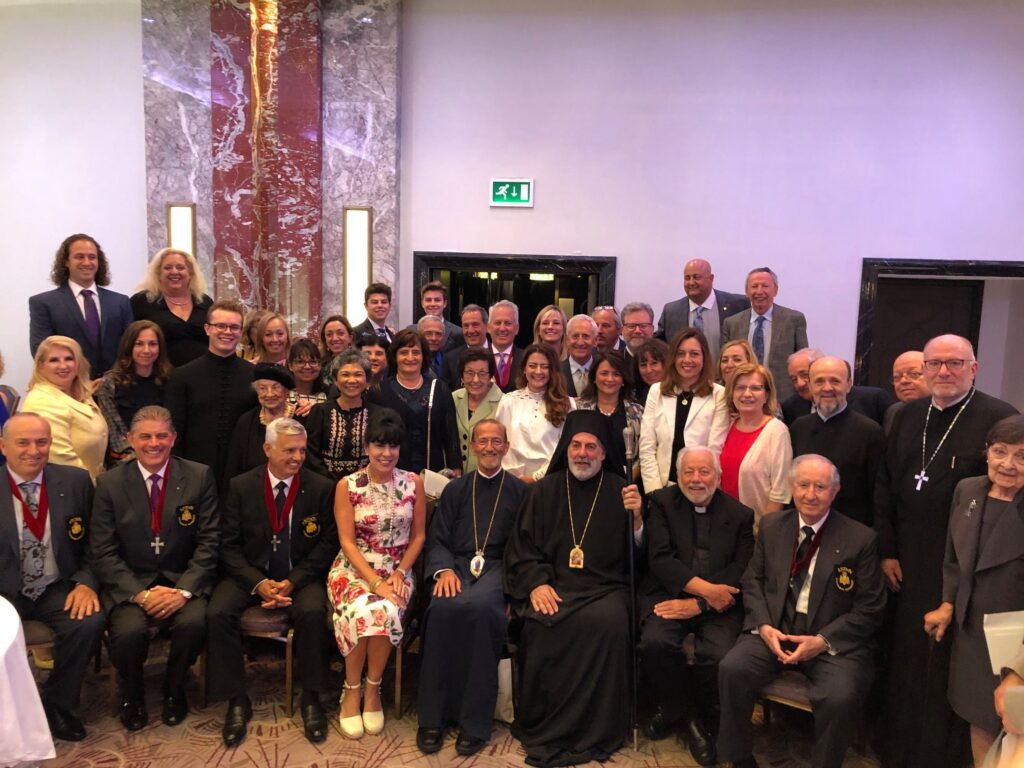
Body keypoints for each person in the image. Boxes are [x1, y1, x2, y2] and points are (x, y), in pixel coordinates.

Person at [874, 334, 1018, 768]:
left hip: (967, 563)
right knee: (907, 657)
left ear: (973, 368)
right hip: (907, 561)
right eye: (934, 364)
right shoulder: (903, 415)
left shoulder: (999, 417)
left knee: (954, 664)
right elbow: (885, 484)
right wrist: (887, 550)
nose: (942, 372)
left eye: (954, 363)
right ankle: (899, 748)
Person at [718, 454, 886, 768]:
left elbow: (870, 607)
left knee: (839, 696)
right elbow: (752, 580)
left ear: (835, 492)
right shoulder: (772, 526)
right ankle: (738, 757)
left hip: (829, 641)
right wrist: (764, 627)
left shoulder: (860, 538)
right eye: (803, 485)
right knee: (732, 668)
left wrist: (822, 641)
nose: (811, 494)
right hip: (775, 630)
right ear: (791, 488)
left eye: (820, 487)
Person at [503, 410, 643, 767]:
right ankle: (548, 723)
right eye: (576, 445)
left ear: (604, 452)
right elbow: (522, 548)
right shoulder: (546, 490)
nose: (582, 453)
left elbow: (641, 555)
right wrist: (535, 584)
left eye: (591, 447)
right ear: (566, 448)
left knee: (609, 624)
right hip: (555, 584)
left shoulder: (621, 491)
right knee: (540, 622)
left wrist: (638, 520)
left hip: (606, 587)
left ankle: (598, 726)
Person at [207, 417, 337, 747]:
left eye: (302, 450)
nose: (297, 457)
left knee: (311, 612)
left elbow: (327, 545)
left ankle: (311, 697)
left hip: (300, 575)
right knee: (217, 613)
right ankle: (236, 699)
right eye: (288, 450)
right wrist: (258, 583)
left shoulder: (321, 486)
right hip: (249, 574)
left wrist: (293, 581)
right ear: (267, 449)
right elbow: (229, 545)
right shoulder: (241, 486)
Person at [89, 406, 219, 731]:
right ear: (130, 440)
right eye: (145, 436)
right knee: (128, 632)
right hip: (132, 585)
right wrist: (139, 595)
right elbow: (103, 550)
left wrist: (184, 590)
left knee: (194, 623)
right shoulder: (109, 483)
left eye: (162, 435)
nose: (154, 443)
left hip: (181, 581)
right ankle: (131, 692)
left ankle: (174, 689)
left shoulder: (199, 476)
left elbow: (209, 541)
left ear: (173, 439)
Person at [416, 419, 529, 756]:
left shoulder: (521, 492)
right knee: (441, 608)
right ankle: (433, 717)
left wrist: (513, 589)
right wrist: (443, 571)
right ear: (474, 447)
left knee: (481, 610)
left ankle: (474, 722)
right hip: (458, 565)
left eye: (497, 441)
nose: (491, 447)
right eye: (484, 441)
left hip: (500, 568)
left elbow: (525, 548)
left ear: (506, 448)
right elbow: (437, 539)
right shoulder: (456, 489)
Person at [639, 446, 754, 766]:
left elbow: (740, 569)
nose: (696, 479)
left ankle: (697, 716)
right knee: (655, 642)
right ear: (678, 476)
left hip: (721, 605)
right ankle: (684, 713)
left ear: (718, 476)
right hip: (668, 594)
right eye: (688, 471)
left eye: (704, 471)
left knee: (719, 655)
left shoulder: (741, 514)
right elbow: (660, 559)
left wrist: (701, 605)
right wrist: (702, 596)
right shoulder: (661, 502)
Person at [922, 415, 1024, 768]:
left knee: (1018, 732)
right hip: (972, 638)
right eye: (1000, 452)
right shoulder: (968, 489)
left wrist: (1019, 670)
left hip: (1018, 642)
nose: (1008, 464)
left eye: (1022, 457)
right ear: (987, 453)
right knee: (978, 717)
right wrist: (949, 603)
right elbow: (954, 557)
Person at [0, 413, 104, 743]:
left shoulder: (75, 481)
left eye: (41, 442)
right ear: (3, 446)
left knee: (87, 622)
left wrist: (86, 581)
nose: (33, 450)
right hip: (4, 593)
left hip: (54, 585)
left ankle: (59, 704)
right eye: (23, 442)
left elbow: (96, 542)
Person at [328, 409, 427, 738]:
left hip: (399, 568)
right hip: (354, 568)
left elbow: (418, 537)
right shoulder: (348, 485)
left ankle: (373, 689)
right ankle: (351, 689)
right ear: (367, 447)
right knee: (364, 608)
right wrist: (374, 582)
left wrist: (399, 573)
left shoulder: (413, 482)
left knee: (383, 610)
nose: (386, 453)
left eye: (393, 446)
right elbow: (346, 540)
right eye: (379, 445)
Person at [164, 299, 256, 487]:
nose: (227, 332)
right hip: (193, 473)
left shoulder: (254, 375)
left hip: (241, 474)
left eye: (234, 327)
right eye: (220, 326)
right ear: (207, 329)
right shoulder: (182, 376)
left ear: (240, 332)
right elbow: (174, 429)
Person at [789, 356, 885, 526]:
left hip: (852, 531)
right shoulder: (798, 428)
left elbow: (878, 494)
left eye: (835, 381)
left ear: (848, 385)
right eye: (819, 382)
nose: (827, 388)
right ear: (810, 386)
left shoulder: (870, 432)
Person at [29, 233, 133, 378]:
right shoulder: (44, 303)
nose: (86, 262)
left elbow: (130, 346)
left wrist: (109, 380)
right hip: (69, 388)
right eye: (79, 257)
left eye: (92, 257)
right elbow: (41, 351)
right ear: (66, 261)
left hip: (115, 388)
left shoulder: (120, 302)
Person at [639, 329, 730, 493]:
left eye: (694, 354)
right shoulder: (656, 391)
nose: (687, 360)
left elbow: (715, 450)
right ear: (673, 358)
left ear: (704, 358)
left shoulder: (719, 395)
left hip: (700, 487)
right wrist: (654, 492)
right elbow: (647, 447)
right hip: (661, 486)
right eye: (681, 354)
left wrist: (702, 488)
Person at [367, 329, 461, 475]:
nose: (410, 358)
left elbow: (451, 436)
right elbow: (372, 438)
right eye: (404, 352)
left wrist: (456, 472)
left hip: (433, 475)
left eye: (416, 352)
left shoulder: (439, 389)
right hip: (390, 474)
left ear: (423, 356)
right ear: (395, 356)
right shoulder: (378, 392)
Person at [21, 336, 107, 481]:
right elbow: (63, 459)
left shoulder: (79, 391)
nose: (63, 366)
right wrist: (96, 489)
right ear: (41, 366)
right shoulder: (42, 402)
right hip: (71, 489)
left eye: (69, 358)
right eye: (54, 360)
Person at [719, 362, 792, 529]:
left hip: (758, 529)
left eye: (756, 388)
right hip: (725, 526)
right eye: (740, 387)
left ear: (766, 394)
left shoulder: (777, 431)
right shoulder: (727, 426)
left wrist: (765, 532)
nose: (747, 394)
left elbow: (780, 492)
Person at [721, 267, 808, 402]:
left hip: (783, 399)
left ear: (775, 290)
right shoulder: (732, 323)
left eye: (765, 286)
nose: (759, 291)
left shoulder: (794, 320)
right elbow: (724, 364)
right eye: (754, 286)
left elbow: (803, 362)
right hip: (744, 397)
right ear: (746, 292)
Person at [94, 320, 172, 467]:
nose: (146, 350)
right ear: (128, 347)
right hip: (124, 461)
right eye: (139, 344)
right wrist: (139, 458)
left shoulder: (170, 380)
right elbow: (115, 432)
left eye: (153, 344)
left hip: (163, 456)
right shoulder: (109, 383)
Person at [495, 342, 574, 483]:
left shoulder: (568, 404)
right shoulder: (509, 401)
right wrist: (517, 477)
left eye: (545, 366)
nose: (538, 371)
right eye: (532, 366)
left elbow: (566, 447)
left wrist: (536, 477)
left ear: (553, 370)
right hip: (513, 482)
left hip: (551, 480)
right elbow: (500, 443)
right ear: (524, 369)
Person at [130, 247, 214, 366]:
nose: (174, 272)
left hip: (202, 375)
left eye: (180, 267)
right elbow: (129, 342)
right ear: (158, 273)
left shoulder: (205, 302)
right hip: (159, 377)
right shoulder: (141, 301)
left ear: (190, 273)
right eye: (167, 267)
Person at [657, 258, 749, 363]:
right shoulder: (671, 311)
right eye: (687, 278)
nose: (691, 282)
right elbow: (659, 347)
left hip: (726, 377)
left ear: (711, 278)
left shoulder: (738, 305)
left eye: (696, 277)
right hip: (686, 377)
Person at [305, 350, 376, 481]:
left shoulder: (377, 414)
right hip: (325, 485)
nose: (352, 380)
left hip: (367, 485)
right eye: (345, 374)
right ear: (335, 380)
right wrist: (330, 482)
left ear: (367, 380)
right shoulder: (320, 411)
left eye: (358, 375)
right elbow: (310, 454)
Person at [780, 348, 895, 427]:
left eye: (804, 375)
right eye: (794, 379)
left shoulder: (873, 400)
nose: (799, 384)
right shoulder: (790, 408)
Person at [575, 350, 644, 477]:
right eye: (604, 373)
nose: (610, 379)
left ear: (623, 379)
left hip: (627, 483)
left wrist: (629, 478)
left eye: (616, 374)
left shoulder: (637, 412)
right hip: (586, 482)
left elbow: (643, 454)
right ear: (594, 377)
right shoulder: (578, 409)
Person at [224, 364, 296, 481]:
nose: (269, 394)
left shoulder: (301, 418)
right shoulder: (246, 421)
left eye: (275, 387)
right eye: (262, 388)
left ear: (286, 391)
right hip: (253, 488)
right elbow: (234, 465)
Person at [451, 348, 504, 474]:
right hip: (455, 478)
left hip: (489, 477)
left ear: (491, 375)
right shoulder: (453, 398)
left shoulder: (504, 402)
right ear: (462, 375)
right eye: (469, 372)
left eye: (482, 373)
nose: (475, 380)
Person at [441, 304, 490, 387]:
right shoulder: (450, 359)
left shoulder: (498, 356)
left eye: (475, 325)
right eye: (466, 326)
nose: (470, 331)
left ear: (487, 326)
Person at [884, 349, 929, 434]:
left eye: (913, 374)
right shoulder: (893, 412)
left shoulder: (949, 411)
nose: (903, 381)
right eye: (897, 377)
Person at [488, 300, 524, 393]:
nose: (502, 328)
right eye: (497, 323)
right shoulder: (478, 357)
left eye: (508, 323)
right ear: (488, 327)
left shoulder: (526, 359)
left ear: (516, 328)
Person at [418, 280, 464, 352]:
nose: (432, 304)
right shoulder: (412, 331)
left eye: (437, 300)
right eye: (428, 300)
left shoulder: (458, 333)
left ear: (445, 303)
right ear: (422, 303)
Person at [287, 338, 328, 416]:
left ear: (320, 365)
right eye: (300, 362)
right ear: (290, 366)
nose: (307, 367)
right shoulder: (282, 395)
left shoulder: (331, 395)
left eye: (313, 362)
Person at [561, 314, 598, 398]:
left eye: (586, 336)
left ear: (595, 341)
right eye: (575, 336)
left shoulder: (603, 371)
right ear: (567, 340)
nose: (580, 342)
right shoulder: (555, 372)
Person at [317, 314, 353, 388]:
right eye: (329, 334)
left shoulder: (360, 363)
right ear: (325, 340)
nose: (335, 338)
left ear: (350, 338)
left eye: (340, 333)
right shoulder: (320, 364)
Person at [634, 337, 668, 407]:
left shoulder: (680, 392)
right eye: (643, 365)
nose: (648, 370)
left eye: (654, 363)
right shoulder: (635, 398)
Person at [417, 314, 447, 379]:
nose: (434, 338)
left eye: (438, 334)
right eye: (428, 333)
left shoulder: (451, 360)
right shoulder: (411, 360)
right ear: (418, 334)